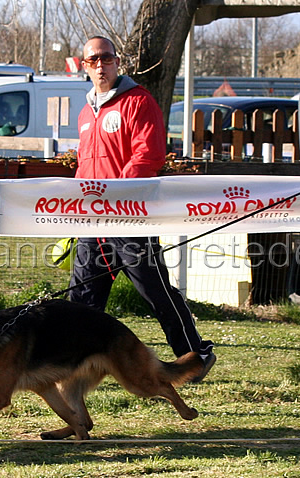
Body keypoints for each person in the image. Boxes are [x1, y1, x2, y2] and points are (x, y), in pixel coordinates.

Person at [68, 36, 216, 382]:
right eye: (93, 60)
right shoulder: (85, 113)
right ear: (84, 66)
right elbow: (83, 166)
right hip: (93, 225)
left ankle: (196, 355)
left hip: (129, 220)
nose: (100, 65)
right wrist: (76, 208)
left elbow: (147, 156)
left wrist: (116, 196)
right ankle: (75, 365)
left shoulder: (138, 101)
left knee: (156, 293)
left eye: (106, 58)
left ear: (118, 62)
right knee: (81, 301)